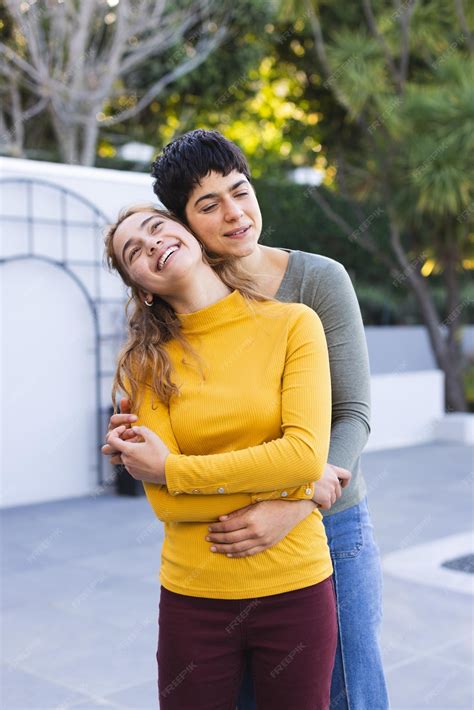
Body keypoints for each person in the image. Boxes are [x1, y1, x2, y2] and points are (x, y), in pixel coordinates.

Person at [104, 129, 389, 710]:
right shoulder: (160, 344)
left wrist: (301, 497)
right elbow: (162, 483)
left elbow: (353, 412)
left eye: (240, 191)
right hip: (221, 542)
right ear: (184, 223)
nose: (234, 214)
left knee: (349, 688)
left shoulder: (315, 286)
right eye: (208, 205)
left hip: (329, 519)